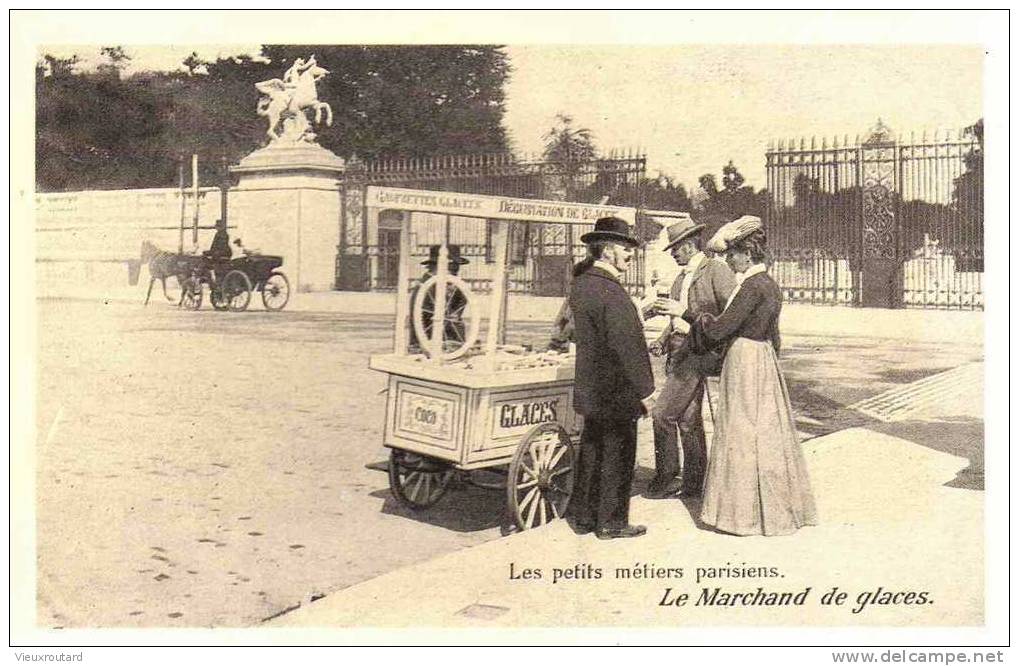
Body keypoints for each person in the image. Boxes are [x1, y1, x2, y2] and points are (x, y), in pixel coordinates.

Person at [693, 216, 818, 536]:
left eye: (733, 253)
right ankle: (773, 512)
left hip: (745, 358)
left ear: (747, 254)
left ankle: (740, 516)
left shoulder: (749, 286)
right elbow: (775, 337)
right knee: (765, 432)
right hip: (763, 359)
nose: (729, 259)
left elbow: (721, 329)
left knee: (741, 431)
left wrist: (700, 319)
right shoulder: (771, 285)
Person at [569, 217, 656, 540]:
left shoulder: (583, 284)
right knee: (618, 455)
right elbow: (627, 347)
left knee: (592, 451)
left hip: (591, 387)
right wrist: (646, 391)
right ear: (606, 251)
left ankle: (584, 517)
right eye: (624, 248)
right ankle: (611, 523)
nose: (630, 254)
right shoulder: (611, 292)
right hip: (617, 390)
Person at [645, 218, 736, 499]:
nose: (672, 254)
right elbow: (676, 320)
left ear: (688, 245)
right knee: (687, 419)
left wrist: (684, 314)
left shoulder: (716, 271)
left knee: (661, 413)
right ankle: (695, 483)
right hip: (678, 349)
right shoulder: (680, 278)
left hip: (695, 353)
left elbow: (729, 317)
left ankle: (667, 477)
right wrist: (662, 339)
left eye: (675, 248)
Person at [409, 244, 470, 352]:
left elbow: (457, 312)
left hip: (448, 342)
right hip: (427, 343)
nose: (455, 271)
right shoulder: (425, 287)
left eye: (456, 267)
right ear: (436, 266)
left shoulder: (453, 285)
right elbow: (432, 316)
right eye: (452, 267)